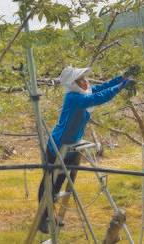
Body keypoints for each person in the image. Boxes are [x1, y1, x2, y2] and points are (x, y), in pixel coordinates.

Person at [37, 65, 135, 233]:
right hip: (58, 145)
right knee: (49, 183)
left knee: (60, 182)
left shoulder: (83, 93)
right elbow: (100, 98)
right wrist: (120, 87)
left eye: (84, 78)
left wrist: (121, 77)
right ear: (73, 84)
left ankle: (52, 217)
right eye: (80, 79)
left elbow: (102, 88)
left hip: (71, 144)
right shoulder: (74, 98)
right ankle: (42, 219)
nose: (85, 81)